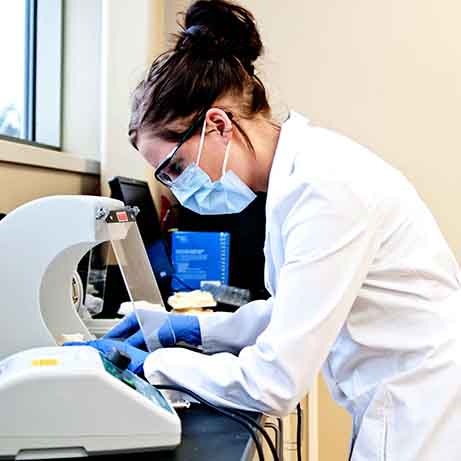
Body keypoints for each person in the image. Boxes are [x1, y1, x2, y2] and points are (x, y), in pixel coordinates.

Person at [68, 1, 461, 459]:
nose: (175, 190)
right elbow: (294, 310)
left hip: (424, 413)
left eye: (174, 168)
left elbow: (275, 381)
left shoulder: (325, 188)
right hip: (402, 400)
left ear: (217, 125)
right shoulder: (296, 176)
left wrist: (158, 364)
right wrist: (189, 329)